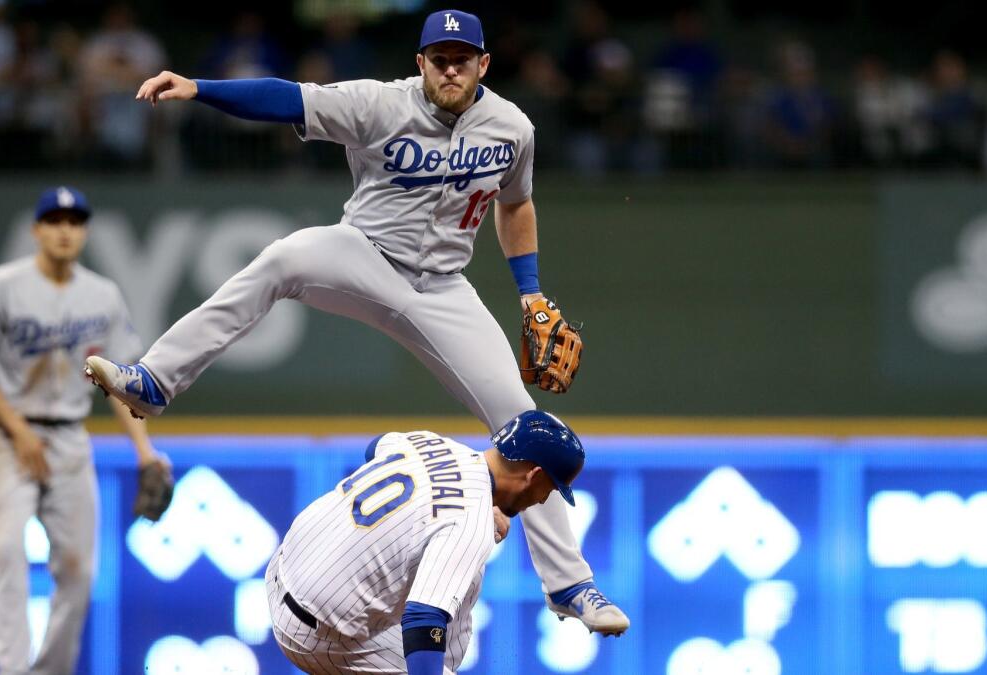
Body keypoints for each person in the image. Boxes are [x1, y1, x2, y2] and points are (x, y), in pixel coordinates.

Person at [84, 8, 629, 634]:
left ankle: (571, 586)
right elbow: (287, 99)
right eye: (439, 59)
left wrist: (530, 293)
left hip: (444, 288)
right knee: (284, 257)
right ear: (419, 63)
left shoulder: (512, 127)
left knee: (526, 427)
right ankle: (155, 380)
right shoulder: (377, 104)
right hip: (364, 254)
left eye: (463, 59)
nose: (451, 69)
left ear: (485, 64)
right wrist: (200, 88)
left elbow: (517, 203)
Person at [0, 186, 167, 674]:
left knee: (79, 569)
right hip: (5, 439)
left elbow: (121, 382)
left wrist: (144, 452)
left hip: (70, 438)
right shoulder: (1, 286)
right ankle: (11, 669)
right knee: (7, 550)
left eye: (74, 222)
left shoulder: (103, 295)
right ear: (36, 230)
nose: (65, 230)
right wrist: (18, 431)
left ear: (84, 231)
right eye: (54, 221)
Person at [267, 410, 603, 674]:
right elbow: (423, 621)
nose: (545, 499)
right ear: (535, 475)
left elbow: (376, 447)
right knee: (458, 584)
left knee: (431, 556)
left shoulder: (433, 443)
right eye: (552, 488)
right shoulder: (469, 522)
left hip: (283, 567)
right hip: (314, 637)